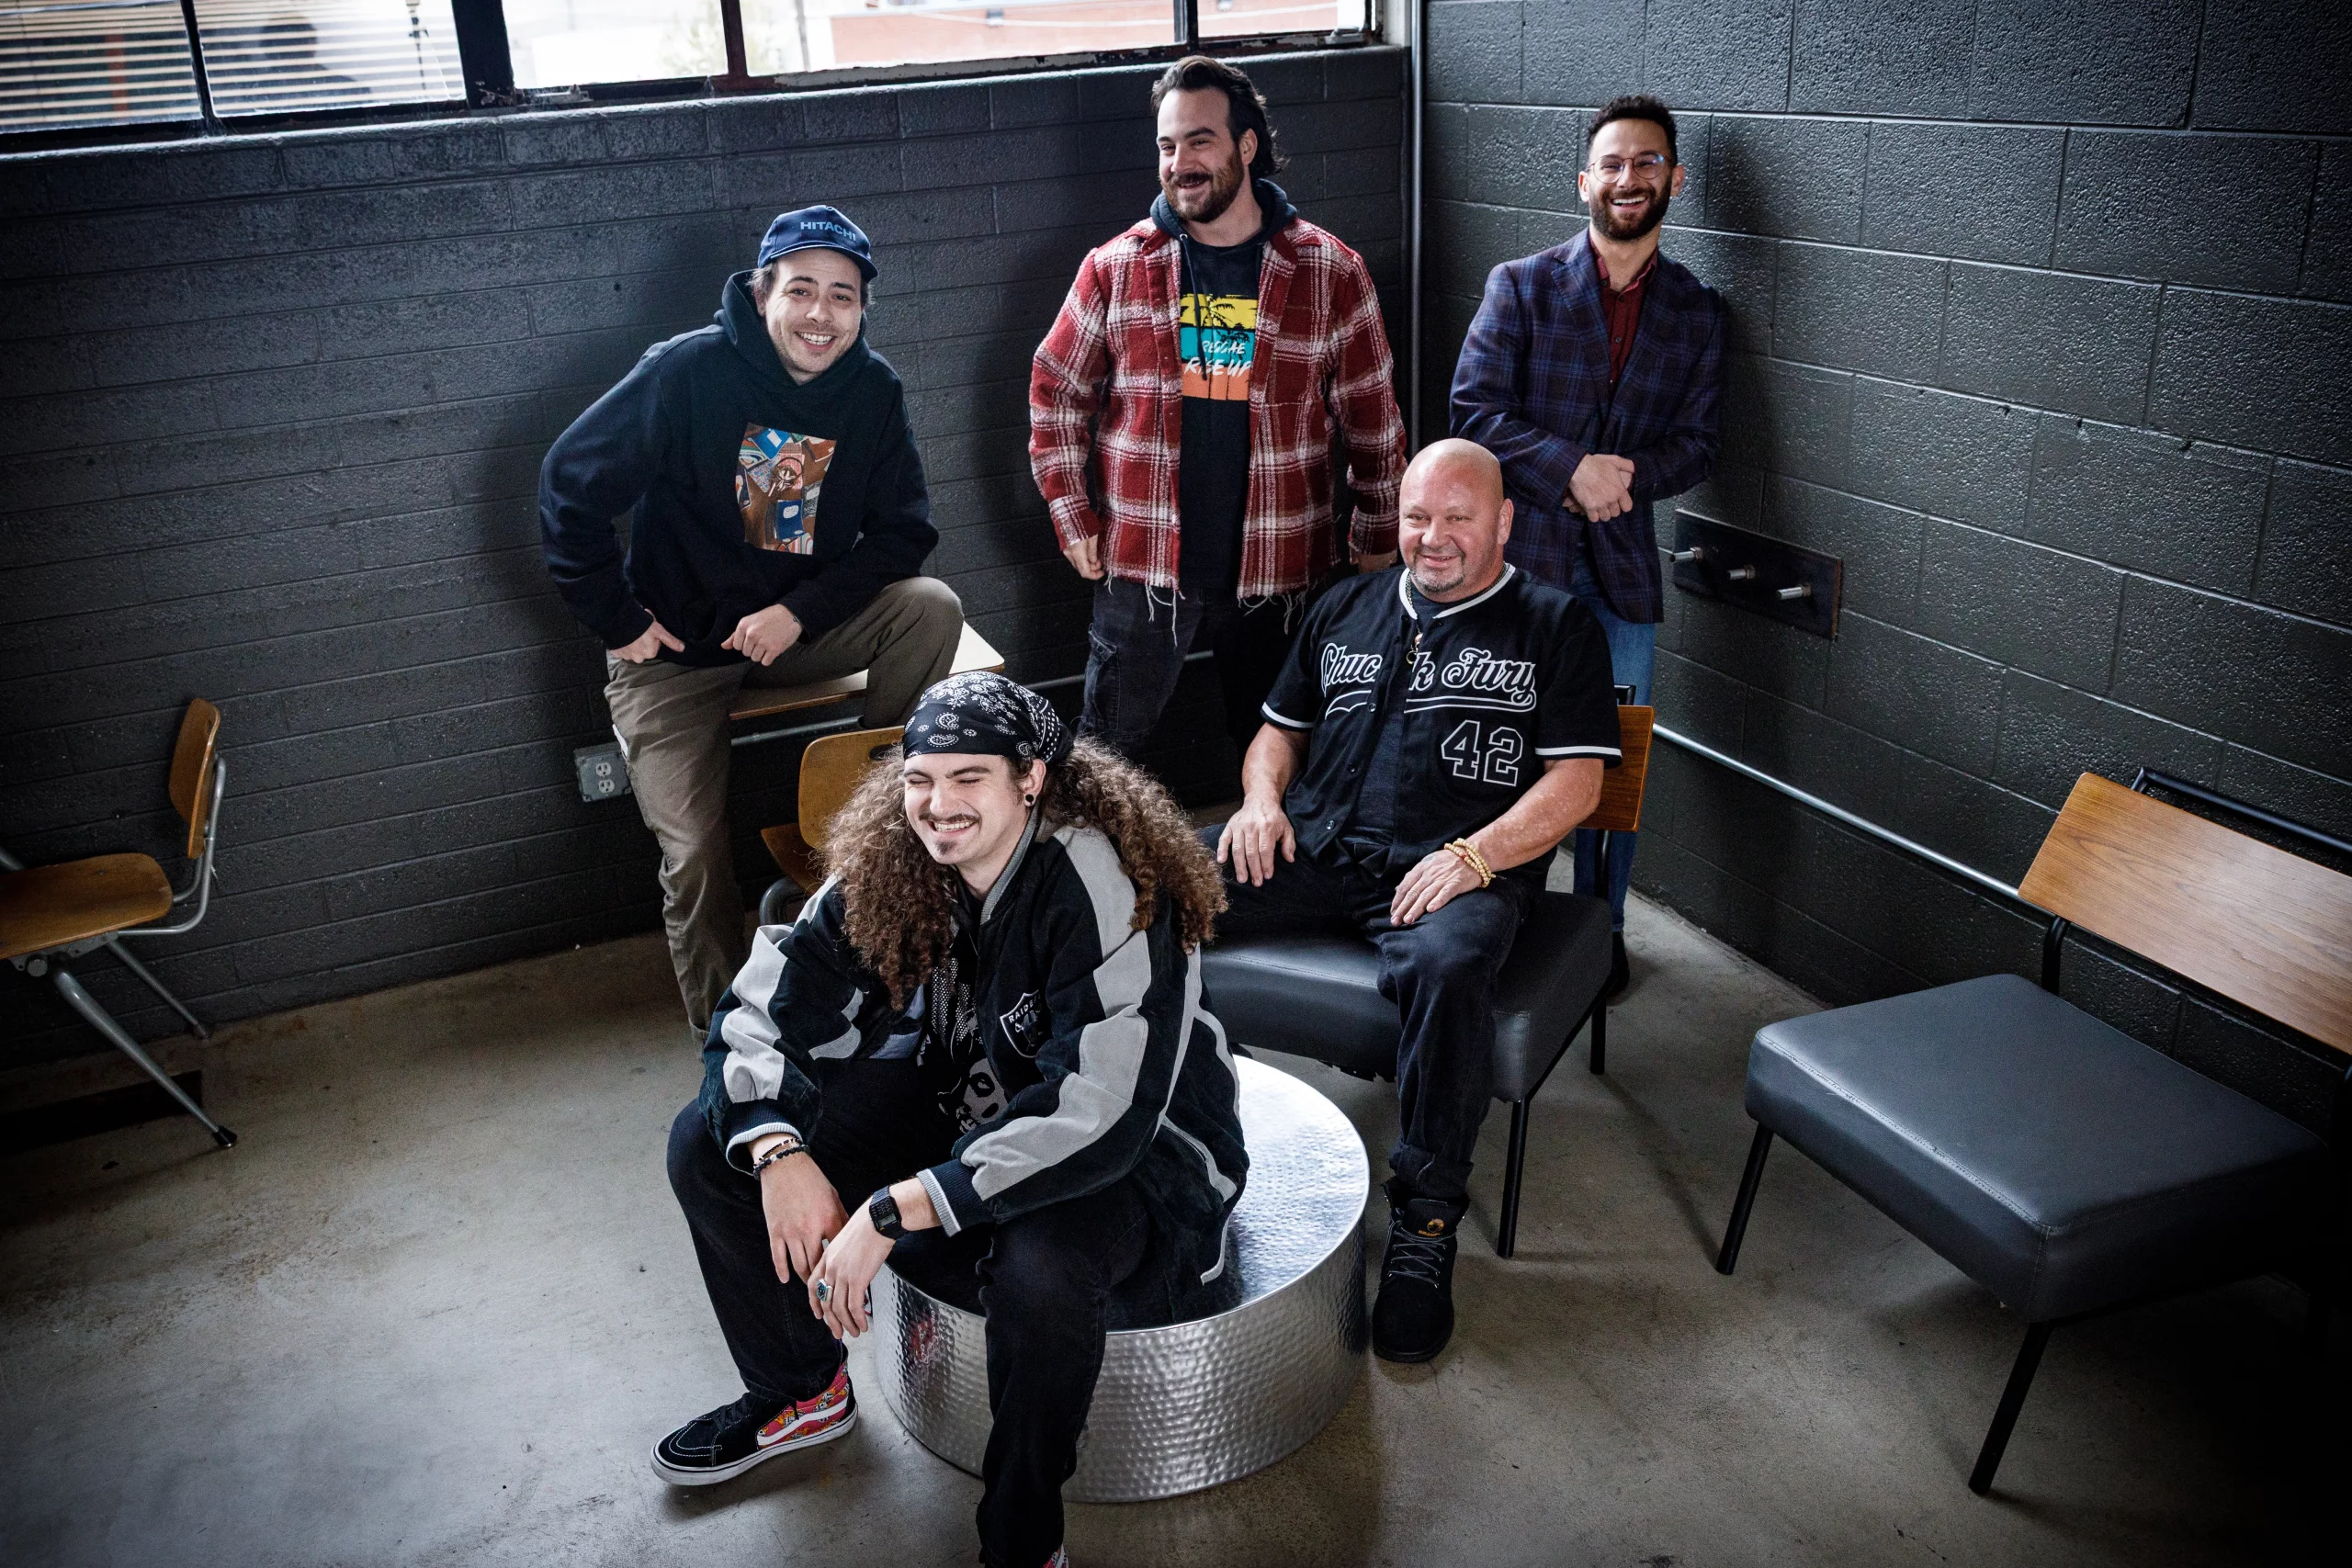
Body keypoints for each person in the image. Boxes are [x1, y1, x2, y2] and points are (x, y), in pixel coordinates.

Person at [657, 671, 1247, 1568]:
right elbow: (769, 1001)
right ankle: (800, 1391)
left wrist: (897, 1209)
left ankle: (1021, 1534)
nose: (937, 805)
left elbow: (1098, 1110)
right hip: (966, 1101)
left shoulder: (1100, 878)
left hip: (1137, 1158)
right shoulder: (903, 854)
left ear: (1032, 780)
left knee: (1040, 1268)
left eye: (969, 778)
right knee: (712, 1140)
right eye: (920, 777)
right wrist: (778, 1149)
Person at [1210, 440, 1621, 1363]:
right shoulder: (1344, 605)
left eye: (1457, 519)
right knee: (1150, 890)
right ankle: (1180, 1131)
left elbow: (1578, 784)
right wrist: (1262, 801)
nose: (1432, 539)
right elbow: (1278, 732)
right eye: (1415, 518)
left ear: (1504, 522)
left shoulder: (1555, 626)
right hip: (1312, 847)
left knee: (1448, 964)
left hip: (1455, 868)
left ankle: (1424, 1226)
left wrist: (1478, 856)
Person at [540, 206, 965, 1035]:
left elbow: (905, 532)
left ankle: (880, 804)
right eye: (801, 289)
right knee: (695, 856)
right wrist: (617, 617)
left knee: (930, 608)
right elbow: (567, 483)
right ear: (763, 292)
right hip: (675, 654)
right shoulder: (688, 371)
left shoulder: (870, 391)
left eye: (842, 296)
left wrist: (796, 612)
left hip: (790, 635)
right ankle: (728, 1041)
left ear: (862, 310)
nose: (820, 313)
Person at [1031, 54, 1408, 762]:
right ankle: (1090, 876)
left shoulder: (1330, 270)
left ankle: (1265, 874)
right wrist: (1070, 511)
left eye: (1199, 141)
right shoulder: (1114, 268)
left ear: (1246, 146)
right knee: (1106, 759)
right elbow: (1055, 391)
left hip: (1284, 567)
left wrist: (1376, 544)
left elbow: (1373, 422)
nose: (1180, 163)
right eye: (1167, 147)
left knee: (1280, 756)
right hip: (1143, 563)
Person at [1449, 94, 1726, 1002]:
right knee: (1497, 754)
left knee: (1613, 770)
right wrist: (1570, 469)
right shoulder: (1520, 286)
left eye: (1646, 163)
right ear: (1585, 181)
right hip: (1518, 570)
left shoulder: (1695, 311)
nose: (1628, 178)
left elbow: (1699, 442)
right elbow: (1473, 414)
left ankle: (1598, 940)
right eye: (1612, 163)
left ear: (1673, 180)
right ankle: (1490, 922)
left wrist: (1626, 479)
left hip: (1620, 578)